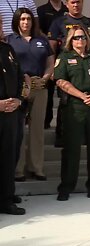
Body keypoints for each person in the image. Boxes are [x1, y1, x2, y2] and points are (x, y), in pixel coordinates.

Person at [54, 25, 90, 201]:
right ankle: (66, 186)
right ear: (71, 40)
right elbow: (60, 81)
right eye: (77, 38)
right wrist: (81, 95)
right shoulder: (64, 58)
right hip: (74, 109)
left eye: (83, 37)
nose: (81, 40)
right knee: (71, 149)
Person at [48, 0, 90, 147]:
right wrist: (51, 68)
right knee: (66, 103)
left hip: (89, 65)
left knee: (89, 103)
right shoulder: (58, 22)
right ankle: (62, 136)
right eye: (73, 2)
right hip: (67, 67)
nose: (76, 5)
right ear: (67, 4)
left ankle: (87, 136)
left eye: (79, 2)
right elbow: (52, 46)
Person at [7, 8, 54, 182]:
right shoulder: (10, 40)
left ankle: (37, 168)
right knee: (18, 129)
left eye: (28, 19)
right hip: (19, 89)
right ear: (17, 21)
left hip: (39, 87)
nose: (26, 22)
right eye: (22, 19)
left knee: (37, 130)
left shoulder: (41, 40)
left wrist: (46, 78)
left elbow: (50, 62)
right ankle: (18, 170)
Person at [0, 15, 26, 215]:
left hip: (11, 112)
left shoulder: (7, 49)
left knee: (9, 157)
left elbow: (18, 76)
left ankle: (7, 198)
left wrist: (17, 99)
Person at [37, 0, 68, 129]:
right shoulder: (42, 10)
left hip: (64, 56)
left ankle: (63, 125)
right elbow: (37, 29)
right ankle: (46, 120)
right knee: (48, 90)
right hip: (46, 53)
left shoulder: (67, 9)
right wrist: (50, 38)